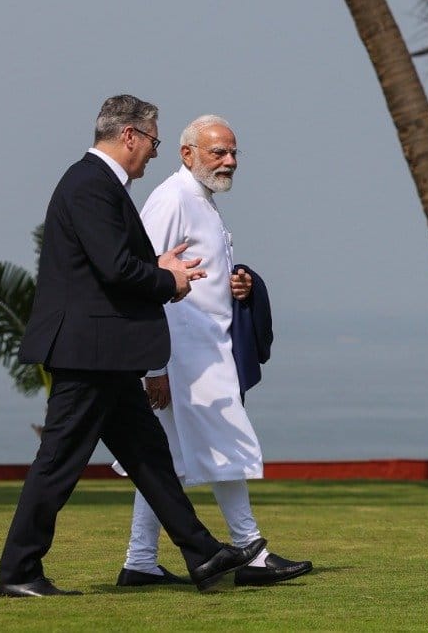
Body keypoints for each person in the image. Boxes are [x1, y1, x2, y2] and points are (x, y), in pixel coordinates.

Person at [0, 95, 265, 597]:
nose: (153, 154)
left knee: (150, 458)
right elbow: (114, 268)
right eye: (154, 142)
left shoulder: (95, 185)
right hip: (89, 352)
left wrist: (158, 266)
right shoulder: (91, 185)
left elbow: (113, 262)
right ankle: (18, 572)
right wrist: (169, 280)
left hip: (107, 351)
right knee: (58, 463)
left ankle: (203, 555)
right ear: (130, 137)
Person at [116, 115, 311, 588]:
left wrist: (238, 284)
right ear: (187, 154)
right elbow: (143, 277)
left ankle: (140, 563)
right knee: (225, 445)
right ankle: (253, 552)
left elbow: (197, 273)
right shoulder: (173, 198)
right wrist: (154, 367)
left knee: (168, 463)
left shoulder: (199, 199)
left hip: (201, 352)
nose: (229, 161)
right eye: (217, 152)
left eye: (233, 153)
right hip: (183, 357)